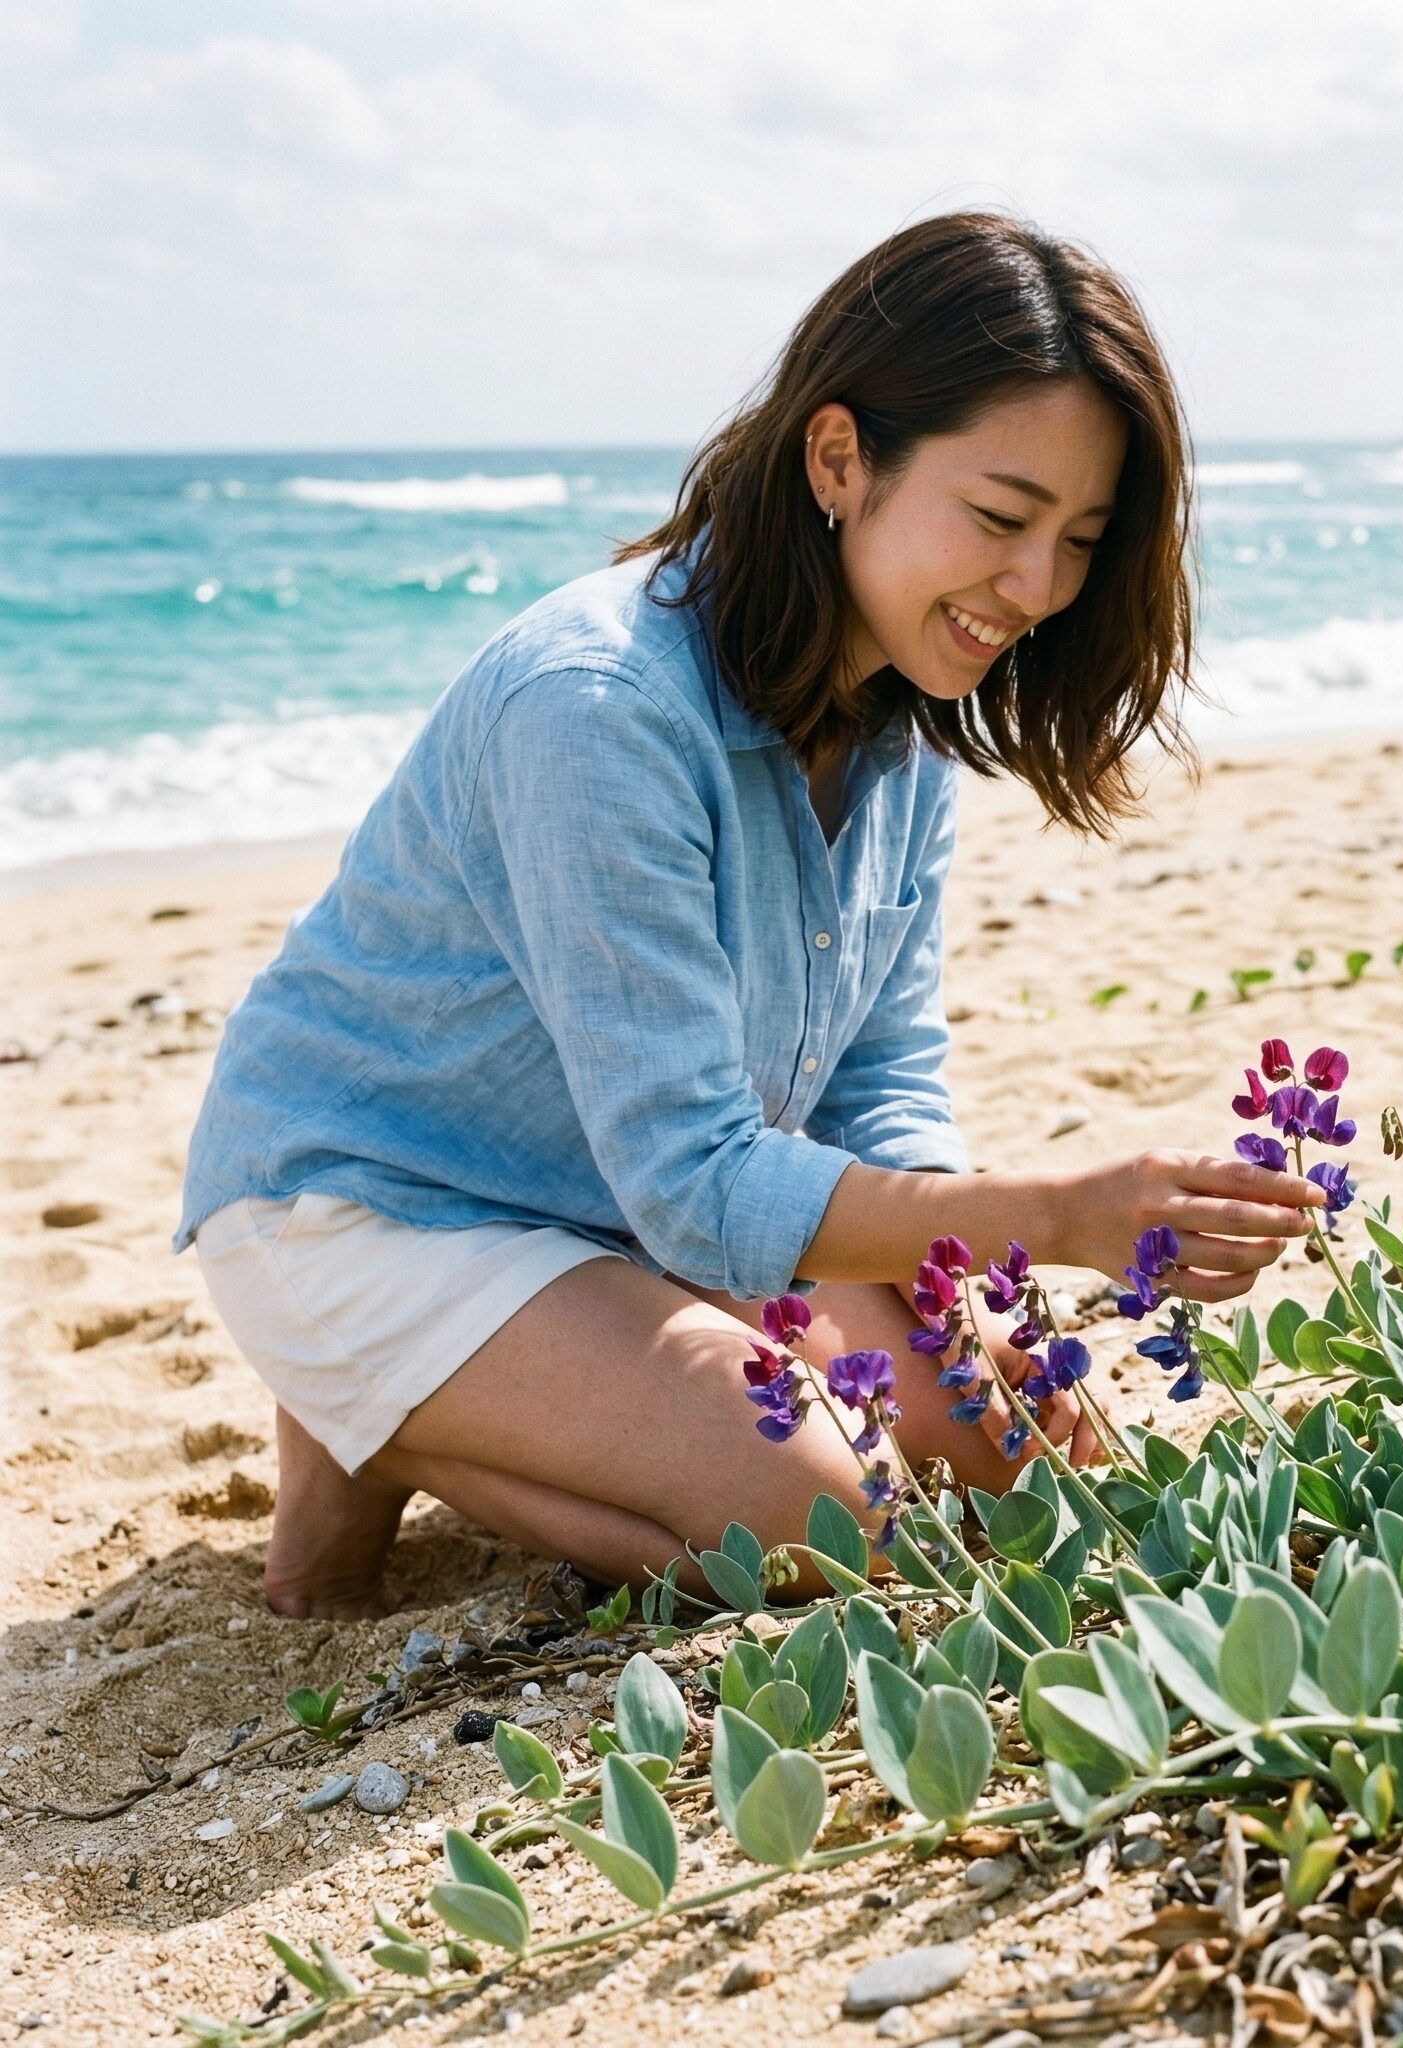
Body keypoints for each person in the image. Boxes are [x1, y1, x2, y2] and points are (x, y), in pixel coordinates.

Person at [176, 212, 1324, 1619]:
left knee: (1024, 1456)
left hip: (617, 1212)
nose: (1036, 591)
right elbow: (698, 1182)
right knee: (838, 1525)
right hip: (374, 1202)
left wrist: (961, 1286)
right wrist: (1056, 1217)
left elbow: (875, 1075)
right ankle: (365, 1407)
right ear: (839, 459)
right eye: (1003, 519)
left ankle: (450, 1388)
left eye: (1079, 540)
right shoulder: (594, 707)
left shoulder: (905, 721)